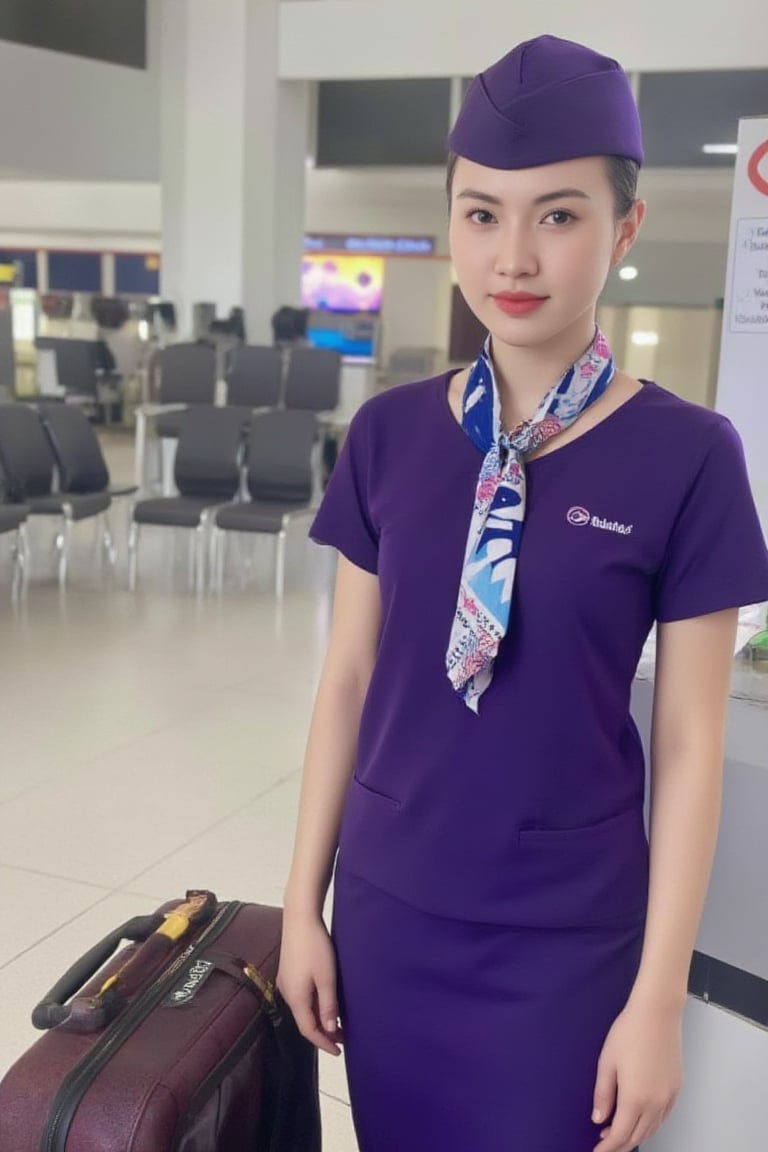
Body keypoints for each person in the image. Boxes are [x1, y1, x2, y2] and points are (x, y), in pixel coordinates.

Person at [277, 34, 768, 1152]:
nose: (514, 256)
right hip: (392, 912)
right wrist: (304, 905)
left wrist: (656, 999)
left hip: (566, 940)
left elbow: (691, 742)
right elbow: (349, 680)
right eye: (482, 213)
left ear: (624, 228)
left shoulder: (689, 456)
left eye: (557, 214)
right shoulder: (390, 436)